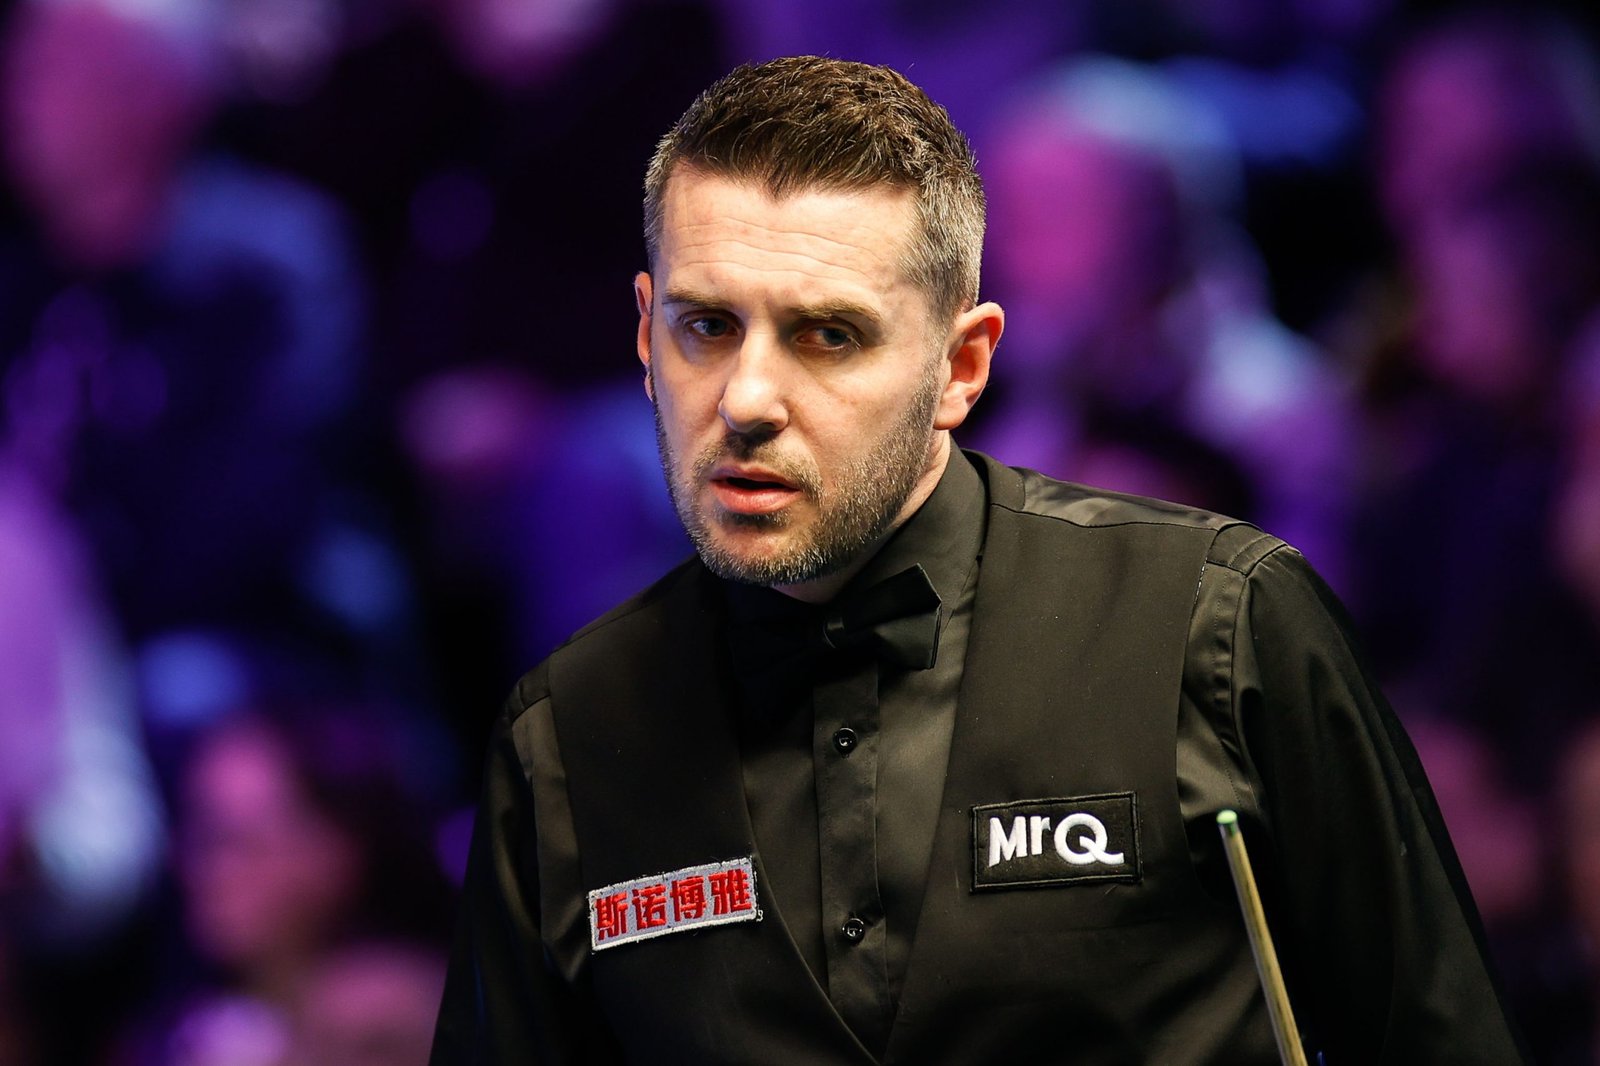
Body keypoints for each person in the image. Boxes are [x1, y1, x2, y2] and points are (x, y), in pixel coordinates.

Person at [431, 56, 1526, 1064]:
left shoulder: (1221, 623)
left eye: (829, 334)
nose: (747, 400)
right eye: (706, 327)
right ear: (644, 337)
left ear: (960, 365)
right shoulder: (566, 733)